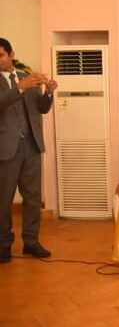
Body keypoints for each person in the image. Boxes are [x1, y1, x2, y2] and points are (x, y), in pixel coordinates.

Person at [0, 38, 57, 262]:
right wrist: (19, 88)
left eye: (1, 55)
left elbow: (41, 108)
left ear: (11, 55)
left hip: (32, 145)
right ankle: (4, 245)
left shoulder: (27, 77)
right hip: (6, 149)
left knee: (33, 198)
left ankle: (31, 242)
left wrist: (49, 92)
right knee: (3, 200)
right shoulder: (22, 83)